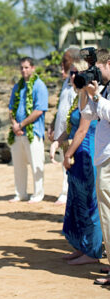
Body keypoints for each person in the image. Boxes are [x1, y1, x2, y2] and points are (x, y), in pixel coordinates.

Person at [62, 70, 107, 265]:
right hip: (78, 152)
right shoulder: (81, 96)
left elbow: (82, 129)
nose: (73, 77)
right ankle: (82, 246)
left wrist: (67, 154)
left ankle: (94, 250)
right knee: (76, 201)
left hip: (86, 152)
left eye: (77, 74)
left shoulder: (94, 97)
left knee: (89, 203)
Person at [82, 49, 110, 286]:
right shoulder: (104, 89)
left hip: (109, 157)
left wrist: (98, 96)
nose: (96, 75)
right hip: (103, 157)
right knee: (106, 215)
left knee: (109, 213)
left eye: (98, 70)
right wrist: (85, 93)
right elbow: (89, 115)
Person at [8, 56, 49, 203]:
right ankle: (20, 193)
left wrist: (22, 124)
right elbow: (11, 108)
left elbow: (39, 110)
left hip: (33, 132)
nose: (24, 70)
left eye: (26, 67)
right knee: (18, 165)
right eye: (21, 68)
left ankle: (38, 194)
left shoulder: (39, 85)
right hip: (17, 132)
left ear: (33, 68)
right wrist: (14, 125)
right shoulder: (17, 87)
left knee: (36, 163)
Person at [52, 48, 85, 204]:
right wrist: (52, 125)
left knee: (71, 164)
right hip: (62, 131)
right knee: (65, 164)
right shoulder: (66, 82)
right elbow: (60, 107)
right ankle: (66, 192)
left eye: (65, 60)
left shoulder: (80, 89)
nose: (62, 63)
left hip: (73, 132)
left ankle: (66, 193)